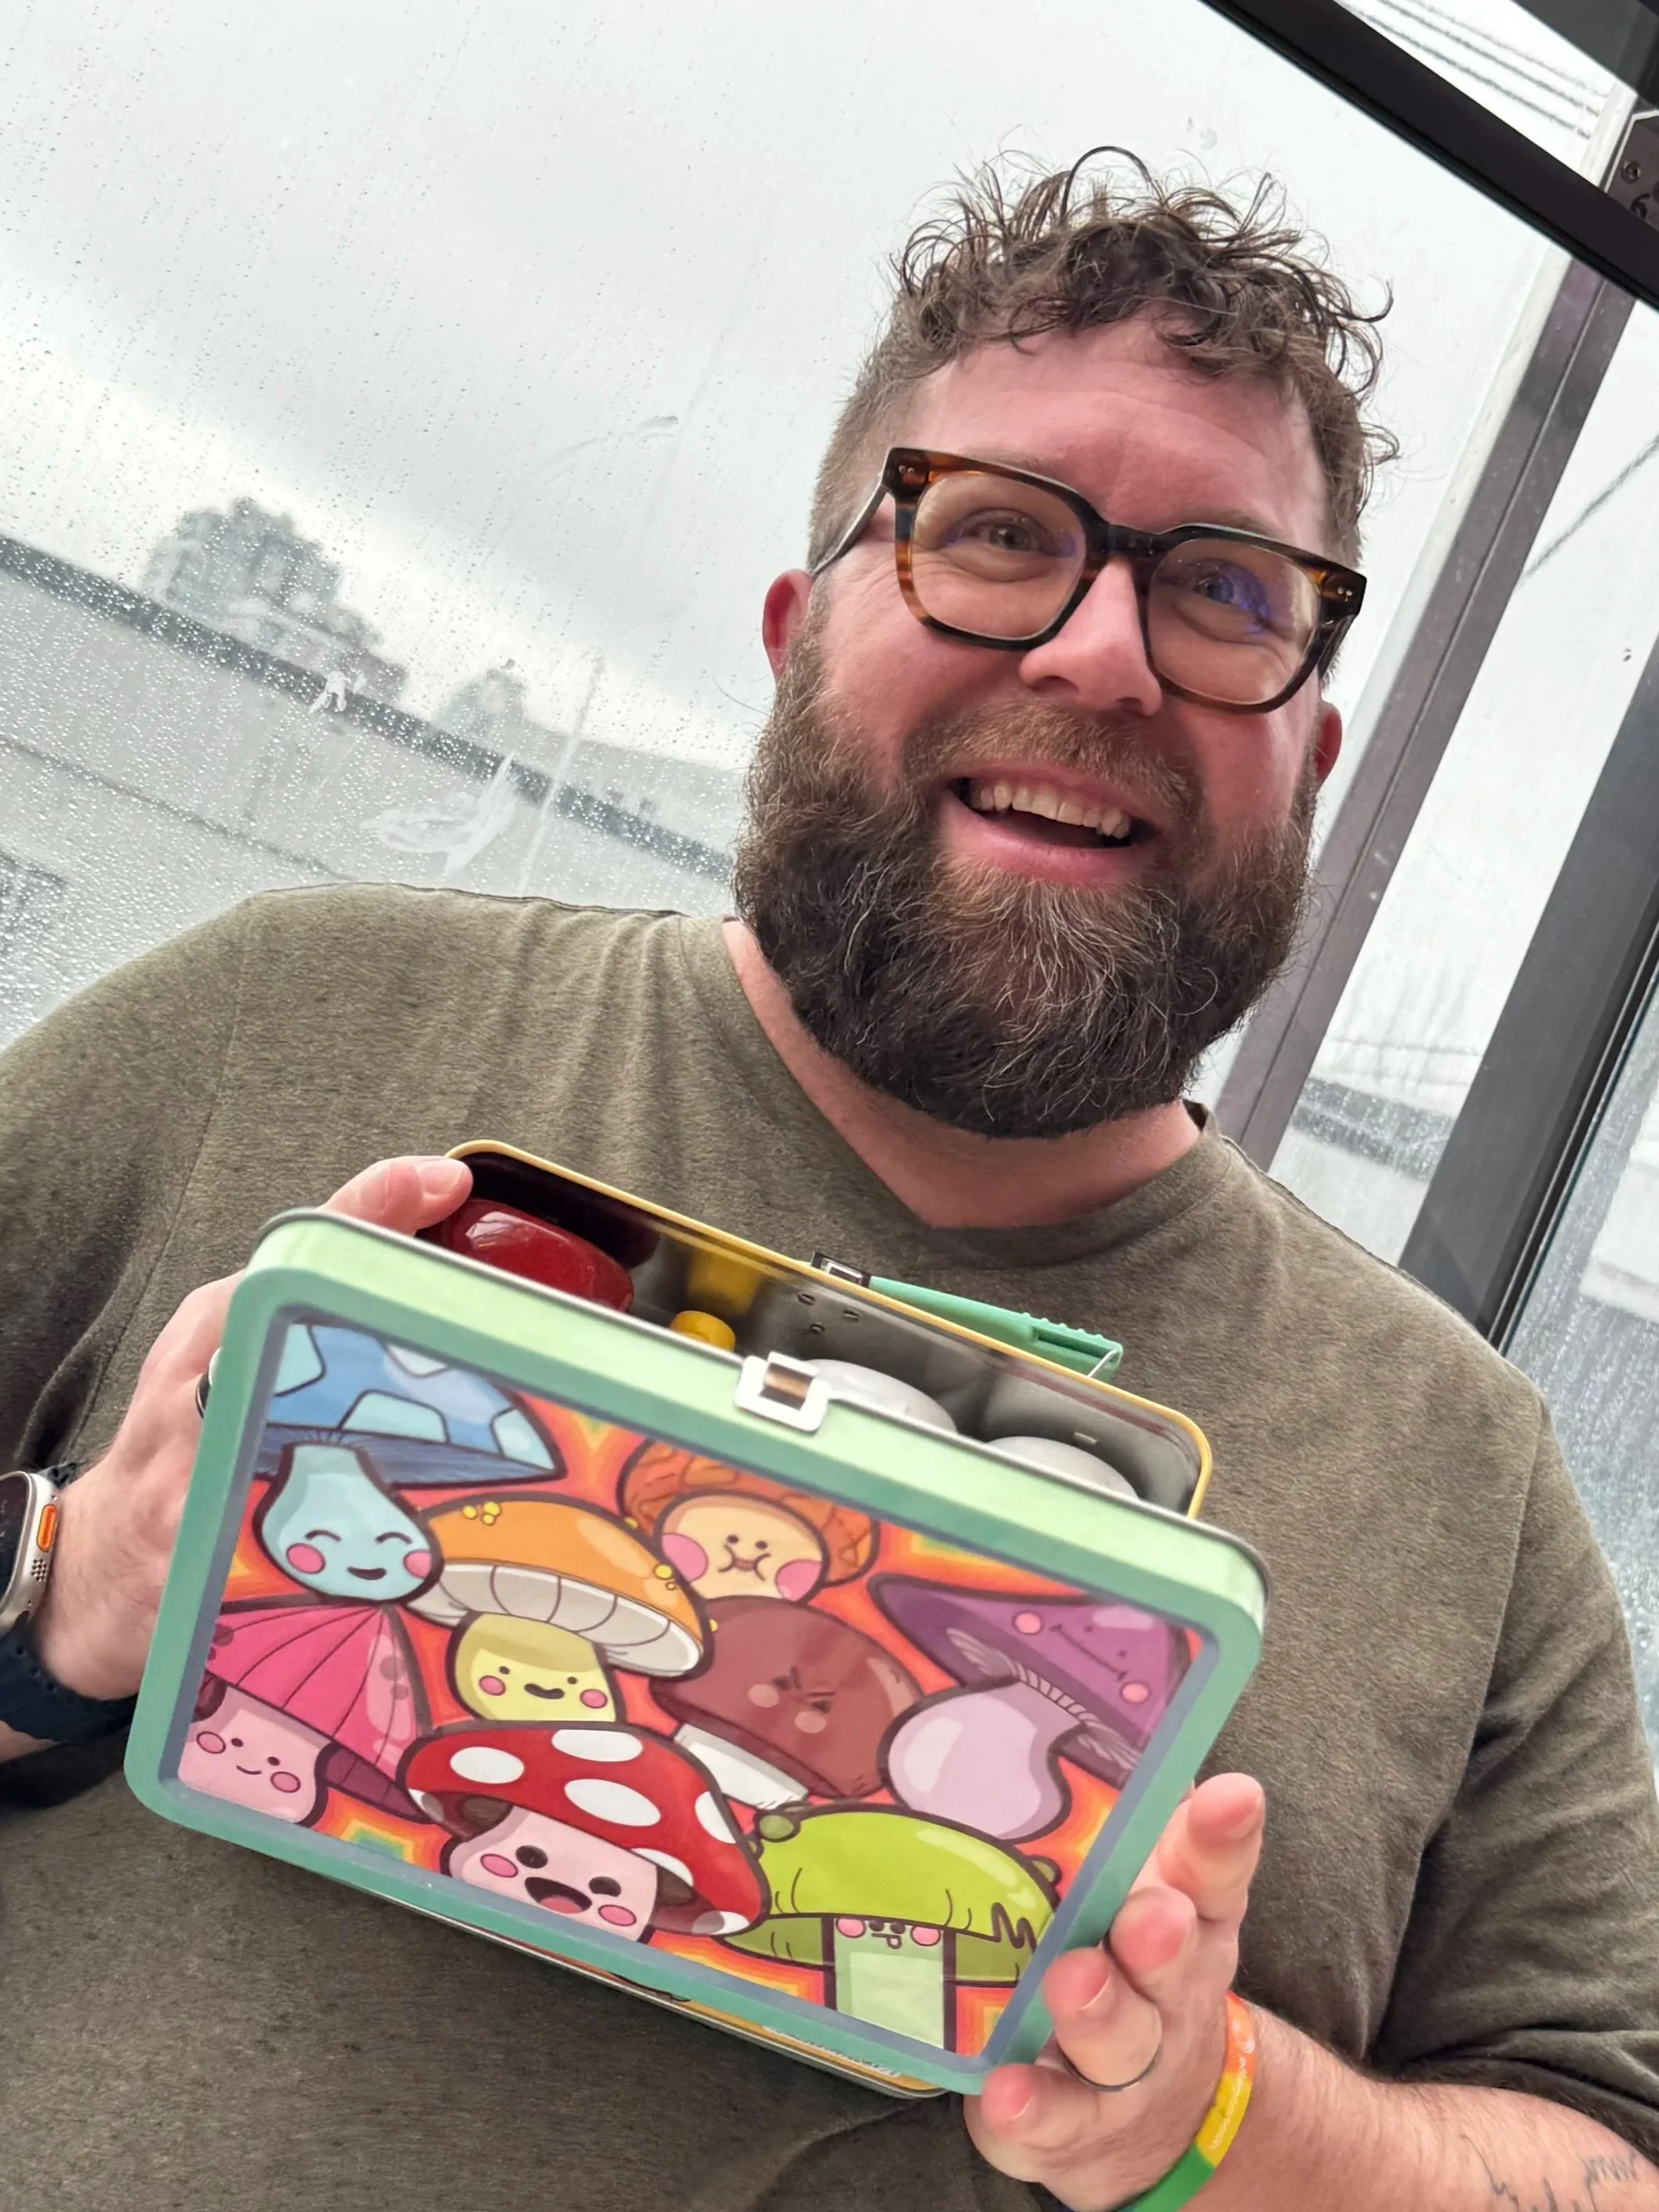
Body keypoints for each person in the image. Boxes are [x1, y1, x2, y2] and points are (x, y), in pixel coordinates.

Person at [2, 152, 1657, 2212]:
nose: (1102, 656)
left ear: (1306, 743)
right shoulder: (266, 1026)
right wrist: (49, 1606)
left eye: (1226, 590)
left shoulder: (1465, 1477)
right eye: (991, 535)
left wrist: (1215, 2110)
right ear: (798, 631)